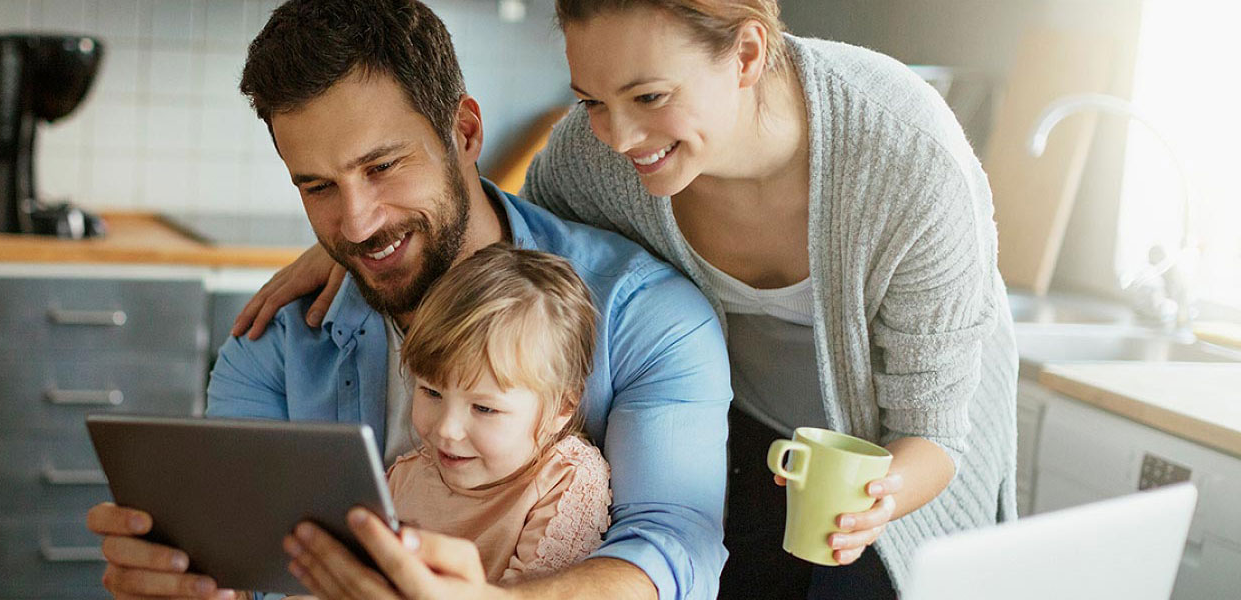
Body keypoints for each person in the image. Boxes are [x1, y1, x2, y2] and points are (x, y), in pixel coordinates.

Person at [234, 0, 1020, 598]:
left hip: (892, 463)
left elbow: (935, 431)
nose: (616, 135)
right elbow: (514, 246)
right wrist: (360, 239)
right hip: (746, 435)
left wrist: (868, 498)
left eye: (646, 95)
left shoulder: (906, 160)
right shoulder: (598, 153)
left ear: (745, 53)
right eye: (591, 100)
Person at [86, 1, 734, 599]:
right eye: (317, 187)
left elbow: (675, 554)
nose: (358, 224)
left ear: (465, 131)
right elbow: (247, 567)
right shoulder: (277, 342)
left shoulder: (645, 315)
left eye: (382, 167)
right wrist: (192, 581)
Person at [389, 244, 611, 584]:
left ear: (562, 408)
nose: (447, 430)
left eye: (484, 408)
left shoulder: (564, 481)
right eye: (432, 392)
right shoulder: (403, 478)